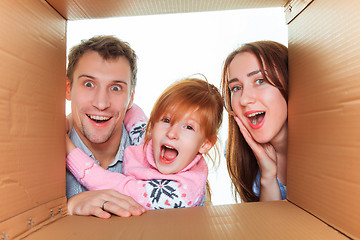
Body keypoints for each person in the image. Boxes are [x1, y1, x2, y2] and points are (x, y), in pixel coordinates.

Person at [66, 78, 224, 209]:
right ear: (153, 125)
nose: (171, 133)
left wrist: (66, 147)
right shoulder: (148, 138)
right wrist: (70, 119)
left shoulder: (181, 193)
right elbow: (131, 110)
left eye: (189, 127)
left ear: (205, 144)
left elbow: (112, 186)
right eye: (166, 120)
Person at [65, 35, 146, 218]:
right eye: (89, 84)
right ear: (68, 88)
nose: (101, 103)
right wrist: (68, 207)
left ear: (131, 97)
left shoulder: (155, 155)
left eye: (116, 88)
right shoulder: (41, 158)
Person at [220, 41, 288, 202]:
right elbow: (268, 225)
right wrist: (268, 177)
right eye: (236, 88)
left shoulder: (324, 148)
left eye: (260, 81)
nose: (244, 99)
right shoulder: (236, 152)